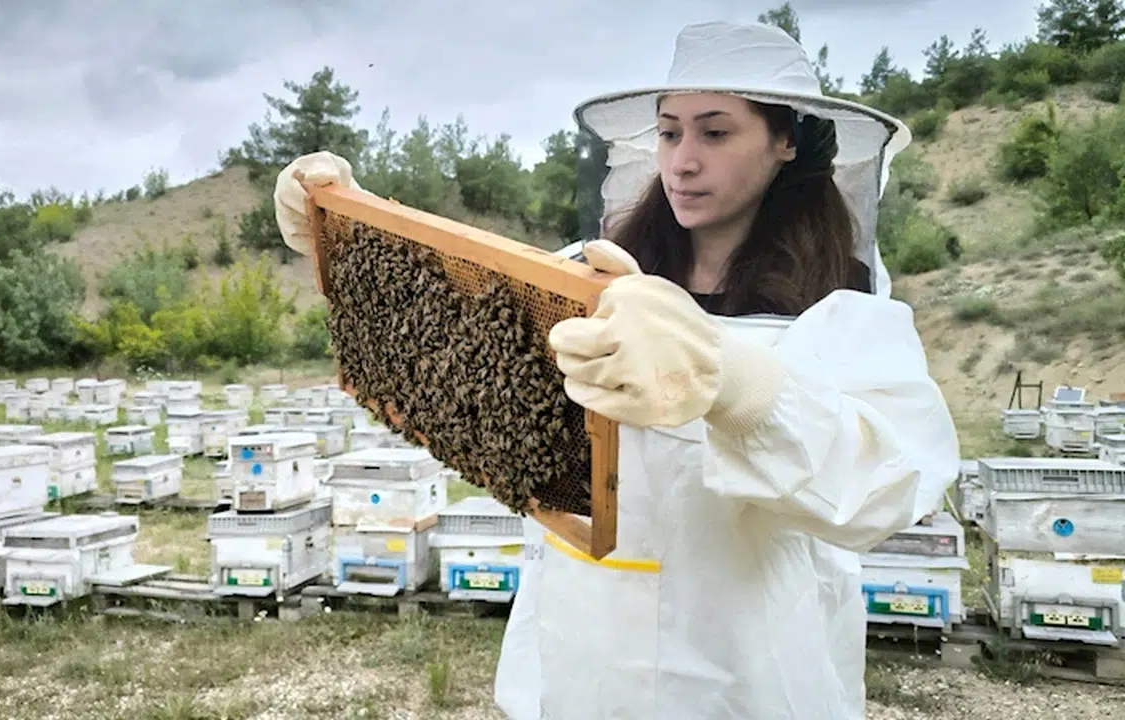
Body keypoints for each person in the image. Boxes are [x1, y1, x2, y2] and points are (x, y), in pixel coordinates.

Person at [272, 21, 960, 720]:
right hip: (581, 659)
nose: (683, 161)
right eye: (669, 133)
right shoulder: (588, 274)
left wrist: (734, 385)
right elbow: (445, 345)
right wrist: (349, 233)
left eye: (715, 133)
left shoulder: (848, 309)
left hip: (744, 677)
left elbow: (892, 481)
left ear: (786, 141)